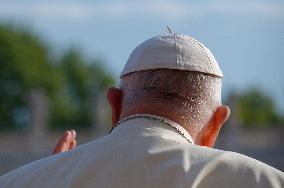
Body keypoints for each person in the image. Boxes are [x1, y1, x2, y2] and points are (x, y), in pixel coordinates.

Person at [1, 29, 284, 188]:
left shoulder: (19, 182)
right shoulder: (264, 181)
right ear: (216, 124)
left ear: (114, 104)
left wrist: (54, 174)